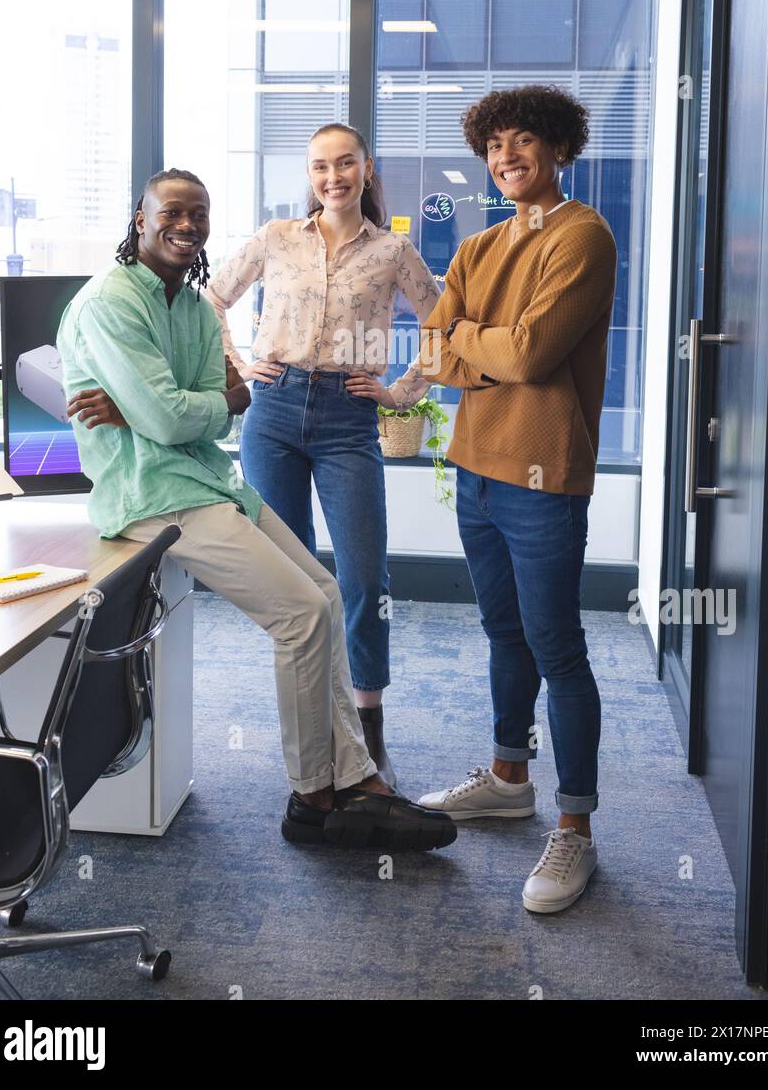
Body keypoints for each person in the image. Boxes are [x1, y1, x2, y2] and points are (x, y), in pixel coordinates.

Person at [56, 166, 456, 854]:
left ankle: (355, 774)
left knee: (327, 593)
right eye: (172, 213)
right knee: (298, 616)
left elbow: (203, 418)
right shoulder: (110, 302)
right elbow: (189, 411)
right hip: (152, 495)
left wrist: (167, 411)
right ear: (140, 218)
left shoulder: (186, 305)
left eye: (199, 214)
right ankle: (312, 798)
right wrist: (172, 411)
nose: (187, 226)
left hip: (207, 479)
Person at [404, 86, 617, 913]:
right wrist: (467, 347)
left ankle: (576, 830)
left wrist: (463, 345)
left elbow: (529, 356)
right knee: (501, 632)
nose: (506, 158)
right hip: (475, 470)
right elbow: (431, 351)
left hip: (542, 475)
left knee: (556, 647)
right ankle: (506, 776)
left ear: (557, 148)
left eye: (523, 142)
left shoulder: (583, 235)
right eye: (494, 147)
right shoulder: (477, 244)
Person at [204, 124, 442, 786]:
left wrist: (399, 392)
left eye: (344, 164)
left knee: (364, 577)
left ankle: (367, 722)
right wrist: (238, 365)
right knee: (292, 577)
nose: (332, 176)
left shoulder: (393, 250)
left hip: (347, 415)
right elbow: (212, 296)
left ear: (366, 168)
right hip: (274, 412)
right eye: (319, 166)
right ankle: (315, 721)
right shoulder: (277, 238)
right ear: (308, 174)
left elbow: (442, 322)